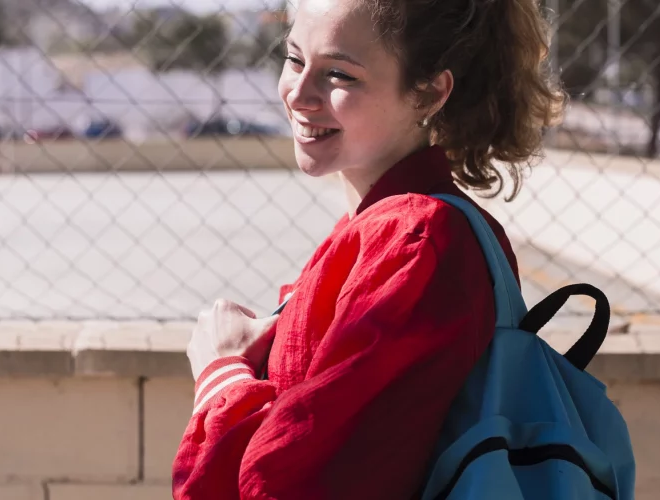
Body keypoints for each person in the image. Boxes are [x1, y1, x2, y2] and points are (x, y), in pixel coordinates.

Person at [173, 0, 566, 497]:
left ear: (429, 93)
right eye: (294, 59)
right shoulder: (383, 228)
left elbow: (289, 485)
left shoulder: (415, 242)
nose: (299, 94)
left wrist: (223, 369)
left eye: (339, 74)